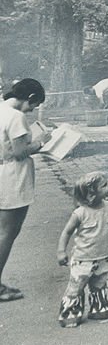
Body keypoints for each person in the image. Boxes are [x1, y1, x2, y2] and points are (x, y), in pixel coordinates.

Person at [0, 78, 48, 302]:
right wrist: (41, 142)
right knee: (7, 233)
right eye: (34, 105)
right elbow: (20, 151)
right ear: (29, 98)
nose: (32, 110)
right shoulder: (16, 116)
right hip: (12, 177)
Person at [56, 172, 108, 327]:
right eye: (104, 186)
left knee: (99, 283)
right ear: (92, 193)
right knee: (77, 286)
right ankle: (70, 313)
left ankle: (99, 308)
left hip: (102, 256)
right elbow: (67, 232)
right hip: (83, 259)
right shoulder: (80, 213)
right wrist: (61, 251)